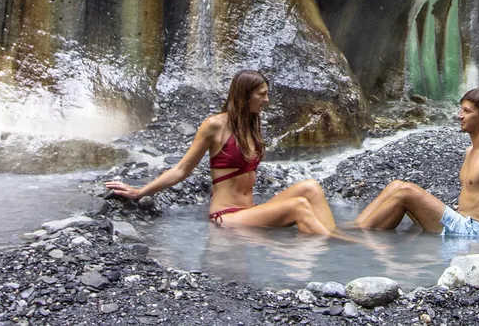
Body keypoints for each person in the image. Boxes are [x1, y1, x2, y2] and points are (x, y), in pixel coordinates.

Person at [105, 70, 342, 236]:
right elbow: (181, 169)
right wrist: (139, 192)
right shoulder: (214, 125)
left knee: (310, 186)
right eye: (262, 94)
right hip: (226, 217)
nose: (266, 100)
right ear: (245, 95)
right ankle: (337, 248)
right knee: (298, 205)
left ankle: (335, 236)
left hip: (250, 212)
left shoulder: (252, 123)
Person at [351, 88, 479, 240]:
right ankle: (353, 228)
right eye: (461, 110)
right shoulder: (471, 151)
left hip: (474, 232)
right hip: (460, 220)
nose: (459, 115)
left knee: (407, 191)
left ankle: (356, 240)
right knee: (396, 186)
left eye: (467, 111)